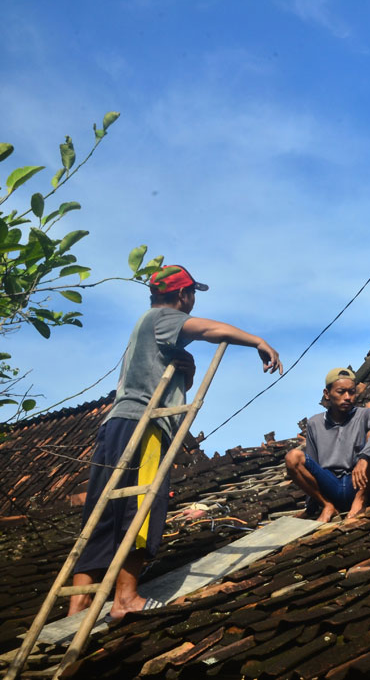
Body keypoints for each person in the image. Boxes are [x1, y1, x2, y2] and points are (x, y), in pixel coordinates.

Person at [69, 265, 282, 620]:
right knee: (143, 504)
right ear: (182, 295)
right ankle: (125, 598)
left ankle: (77, 607)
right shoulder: (163, 318)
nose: (193, 302)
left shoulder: (145, 331)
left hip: (117, 425)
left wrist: (188, 373)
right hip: (142, 427)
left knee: (104, 514)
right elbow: (211, 329)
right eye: (192, 295)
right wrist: (259, 342)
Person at [285, 368, 370, 523]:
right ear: (327, 394)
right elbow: (312, 462)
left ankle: (360, 499)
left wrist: (364, 457)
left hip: (359, 483)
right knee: (293, 457)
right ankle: (327, 505)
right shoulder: (315, 423)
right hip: (330, 485)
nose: (347, 397)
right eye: (341, 392)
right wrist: (311, 505)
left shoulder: (365, 415)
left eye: (351, 392)